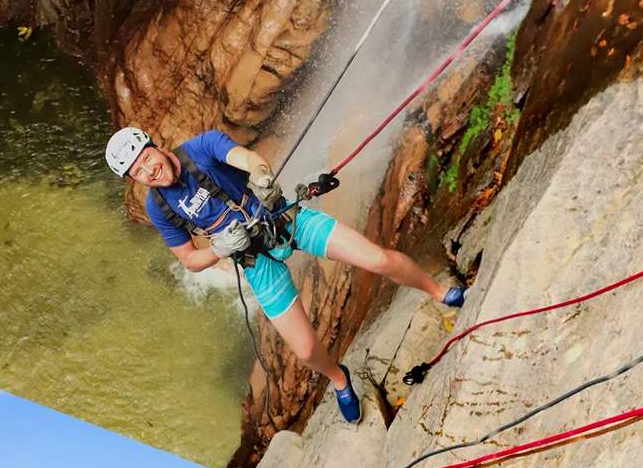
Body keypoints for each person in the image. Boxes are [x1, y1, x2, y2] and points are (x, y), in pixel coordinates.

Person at [105, 124, 464, 424]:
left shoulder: (201, 147)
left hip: (282, 219)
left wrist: (260, 175)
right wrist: (218, 249)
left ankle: (438, 291)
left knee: (379, 260)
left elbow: (245, 158)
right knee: (306, 350)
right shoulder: (159, 207)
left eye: (145, 158)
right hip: (252, 258)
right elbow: (189, 261)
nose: (148, 170)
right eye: (137, 172)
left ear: (155, 146)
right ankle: (340, 380)